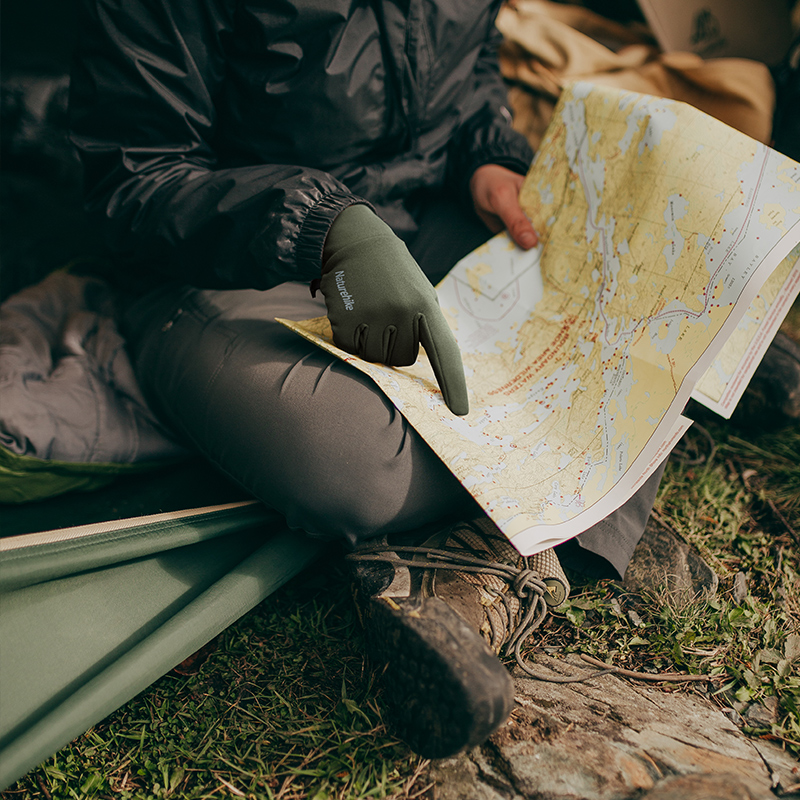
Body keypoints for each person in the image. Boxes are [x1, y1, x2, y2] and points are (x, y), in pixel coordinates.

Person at [68, 0, 665, 757]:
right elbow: (134, 178)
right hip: (230, 261)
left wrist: (487, 158)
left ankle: (476, 582)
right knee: (349, 463)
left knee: (631, 309)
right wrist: (322, 228)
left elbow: (471, 68)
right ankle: (541, 534)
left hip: (426, 218)